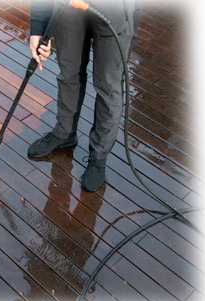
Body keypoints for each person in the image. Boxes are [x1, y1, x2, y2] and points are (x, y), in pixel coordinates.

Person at [28, 0, 144, 192]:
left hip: (115, 7)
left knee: (108, 85)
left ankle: (98, 155)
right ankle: (64, 132)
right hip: (67, 5)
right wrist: (38, 26)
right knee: (68, 72)